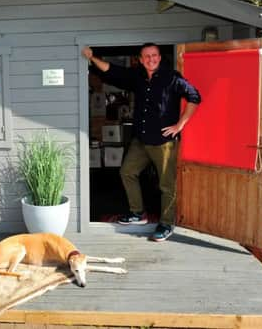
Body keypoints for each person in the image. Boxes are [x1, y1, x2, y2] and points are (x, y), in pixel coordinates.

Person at [82, 43, 201, 242]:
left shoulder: (172, 77)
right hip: (141, 139)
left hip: (164, 142)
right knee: (127, 172)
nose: (151, 59)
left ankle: (166, 223)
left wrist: (180, 125)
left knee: (166, 185)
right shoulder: (137, 76)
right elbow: (114, 71)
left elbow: (194, 97)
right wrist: (92, 58)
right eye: (146, 56)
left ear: (160, 57)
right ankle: (137, 213)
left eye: (154, 55)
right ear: (140, 58)